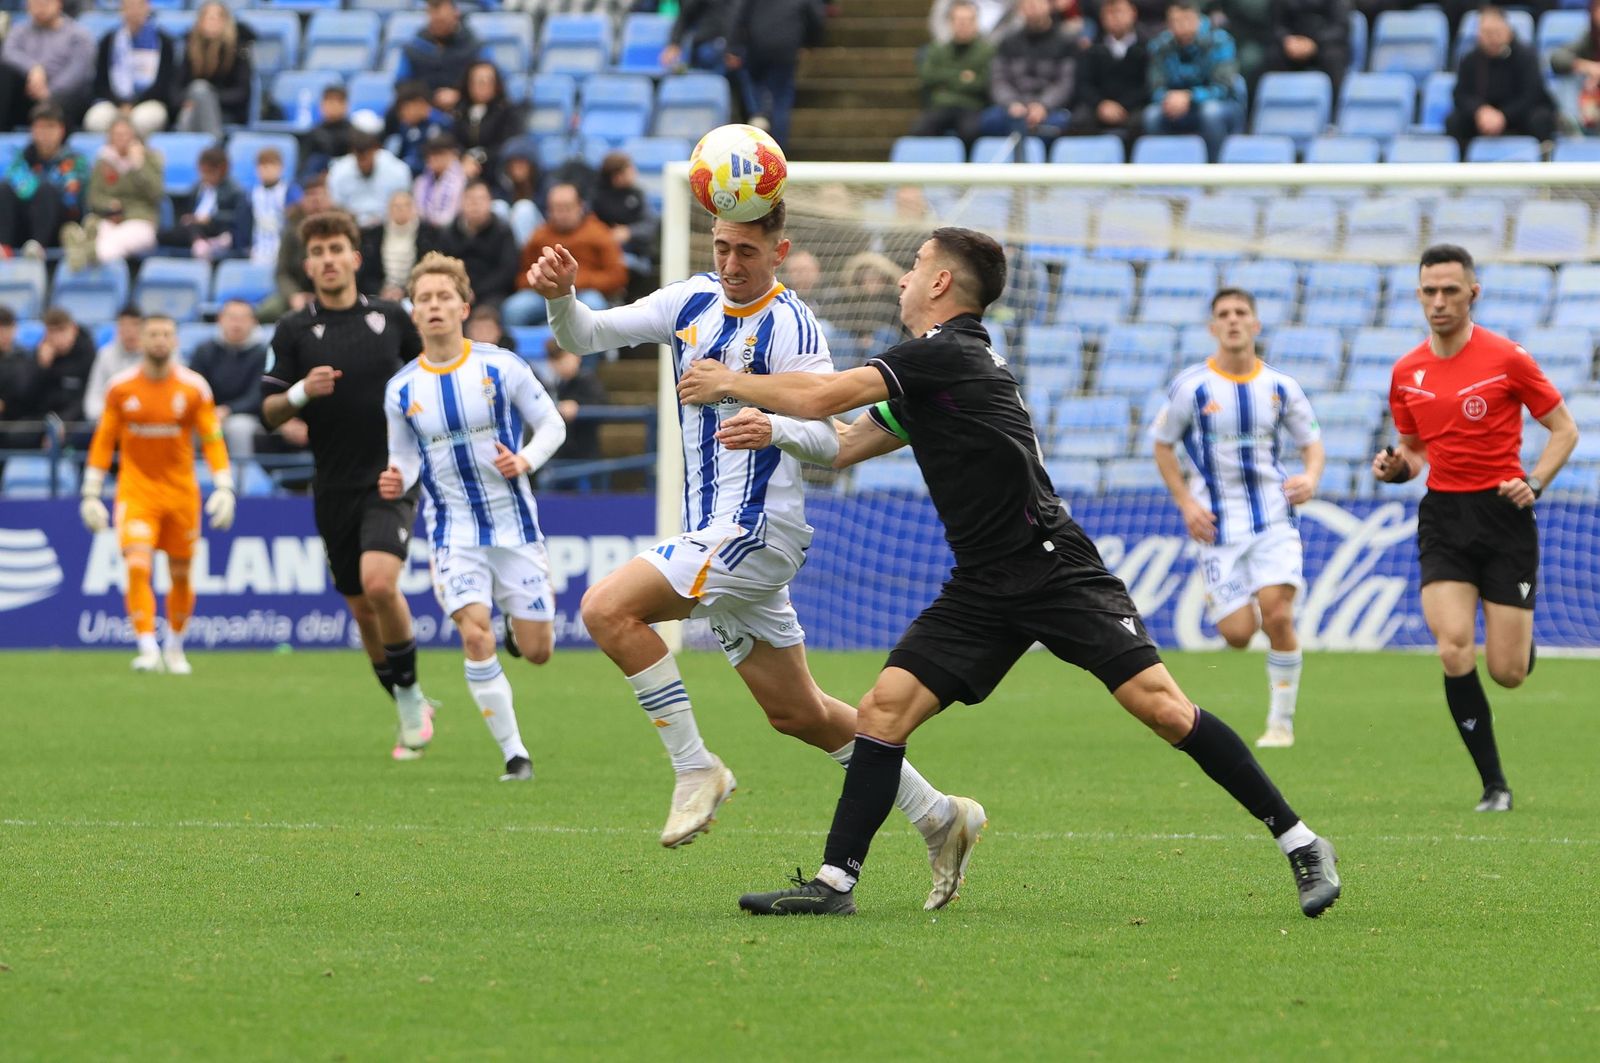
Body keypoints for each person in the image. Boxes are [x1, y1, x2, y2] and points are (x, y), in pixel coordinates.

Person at [677, 226, 1340, 919]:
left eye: (914, 268)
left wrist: (729, 379)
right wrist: (773, 428)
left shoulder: (948, 353)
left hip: (1054, 569)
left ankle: (1301, 840)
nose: (902, 279)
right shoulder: (935, 373)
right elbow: (841, 447)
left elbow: (824, 398)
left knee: (1163, 709)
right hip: (983, 583)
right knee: (882, 710)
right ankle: (834, 883)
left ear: (940, 285)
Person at [525, 204, 982, 911]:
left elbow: (834, 441)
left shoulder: (793, 325)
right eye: (721, 247)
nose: (731, 264)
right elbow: (586, 335)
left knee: (605, 607)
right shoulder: (690, 300)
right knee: (798, 713)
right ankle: (938, 814)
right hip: (715, 531)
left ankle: (695, 767)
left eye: (746, 251)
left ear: (780, 250)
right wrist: (561, 297)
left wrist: (772, 425)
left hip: (758, 530)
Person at [1371, 244, 1579, 813]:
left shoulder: (1508, 358)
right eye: (1429, 291)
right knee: (1453, 646)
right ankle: (1494, 784)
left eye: (1450, 291)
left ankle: (1519, 641)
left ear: (1473, 293)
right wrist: (1396, 469)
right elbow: (1414, 449)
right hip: (1443, 517)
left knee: (1508, 673)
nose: (1439, 301)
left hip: (1504, 516)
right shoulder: (1406, 371)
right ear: (1418, 295)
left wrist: (1534, 481)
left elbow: (1564, 429)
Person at [379, 252, 568, 781]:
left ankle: (516, 626)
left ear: (463, 306)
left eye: (444, 297)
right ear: (413, 312)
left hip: (515, 528)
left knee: (537, 652)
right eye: (424, 299)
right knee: (474, 635)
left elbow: (552, 425)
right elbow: (405, 459)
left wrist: (525, 459)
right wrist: (397, 478)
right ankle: (515, 755)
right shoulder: (401, 390)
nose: (434, 306)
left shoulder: (500, 365)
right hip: (452, 533)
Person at [260, 210, 439, 760]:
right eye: (316, 253)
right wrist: (300, 394)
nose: (328, 260)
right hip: (331, 486)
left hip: (390, 475)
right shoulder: (293, 330)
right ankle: (406, 695)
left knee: (381, 584)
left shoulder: (391, 318)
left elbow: (434, 376)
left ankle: (410, 700)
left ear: (355, 257)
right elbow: (266, 412)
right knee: (362, 609)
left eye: (336, 249)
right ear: (308, 264)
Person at [1152, 289, 1325, 748]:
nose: (1232, 321)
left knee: (1278, 615)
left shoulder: (1281, 387)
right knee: (1238, 634)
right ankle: (1234, 603)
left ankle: (1280, 724)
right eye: (1223, 315)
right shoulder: (1191, 387)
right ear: (1213, 328)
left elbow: (1312, 443)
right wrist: (1187, 504)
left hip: (1273, 519)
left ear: (1255, 324)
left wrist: (1310, 476)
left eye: (1241, 313)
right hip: (1218, 527)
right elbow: (1162, 444)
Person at [79, 314, 235, 674]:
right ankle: (147, 647)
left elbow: (212, 439)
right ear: (142, 340)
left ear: (176, 340)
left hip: (181, 493)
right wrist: (90, 492)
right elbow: (104, 441)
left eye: (166, 334)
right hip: (137, 491)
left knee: (180, 574)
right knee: (137, 564)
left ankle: (176, 648)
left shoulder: (194, 388)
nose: (160, 340)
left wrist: (225, 485)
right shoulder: (121, 388)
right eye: (153, 334)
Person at [504, 183, 627, 327]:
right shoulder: (539, 236)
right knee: (514, 309)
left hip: (585, 293)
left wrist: (576, 281)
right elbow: (522, 275)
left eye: (567, 208)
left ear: (580, 206)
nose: (561, 214)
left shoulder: (599, 233)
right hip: (546, 295)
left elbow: (618, 276)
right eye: (556, 208)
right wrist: (543, 281)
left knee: (593, 305)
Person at [1143, 2, 1244, 163]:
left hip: (1221, 105)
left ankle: (1214, 173)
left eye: (1187, 19)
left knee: (1210, 113)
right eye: (1175, 21)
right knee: (1152, 115)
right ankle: (1165, 173)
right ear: (1168, 24)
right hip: (1175, 105)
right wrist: (1169, 98)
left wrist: (1190, 97)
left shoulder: (1220, 41)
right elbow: (1155, 88)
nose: (1181, 26)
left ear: (1198, 19)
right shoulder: (1159, 46)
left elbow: (1224, 88)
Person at [1446, 6, 1556, 153]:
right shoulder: (1470, 60)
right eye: (1487, 33)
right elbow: (1460, 94)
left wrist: (1503, 115)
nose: (1492, 38)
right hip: (1483, 117)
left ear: (1508, 31)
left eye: (1497, 32)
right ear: (1478, 34)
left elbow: (1532, 95)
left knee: (1541, 118)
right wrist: (1479, 111)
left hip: (1519, 115)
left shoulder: (1526, 56)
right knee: (1454, 121)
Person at [63, 116, 163, 269]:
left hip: (140, 220)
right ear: (109, 137)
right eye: (116, 134)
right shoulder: (103, 160)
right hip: (109, 219)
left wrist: (138, 166)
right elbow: (93, 197)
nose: (121, 139)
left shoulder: (150, 159)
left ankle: (85, 251)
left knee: (116, 240)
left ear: (134, 136)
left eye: (125, 134)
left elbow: (156, 193)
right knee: (102, 230)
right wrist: (108, 204)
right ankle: (86, 247)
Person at [725, 0, 824, 148]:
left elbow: (739, 15)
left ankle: (760, 115)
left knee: (756, 86)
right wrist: (811, 43)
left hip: (758, 47)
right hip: (786, 49)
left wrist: (733, 47)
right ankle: (777, 150)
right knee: (781, 100)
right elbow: (815, 17)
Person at [980, 0, 1076, 144]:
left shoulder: (1065, 42)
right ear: (1021, 9)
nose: (1033, 9)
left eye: (1037, 4)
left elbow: (1064, 82)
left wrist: (1043, 105)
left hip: (1050, 110)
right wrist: (1011, 103)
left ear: (1048, 5)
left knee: (1061, 124)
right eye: (1028, 4)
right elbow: (999, 79)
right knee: (988, 121)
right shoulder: (1008, 42)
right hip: (1013, 108)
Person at [0, 104, 89, 257]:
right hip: (24, 222)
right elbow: (15, 185)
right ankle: (3, 247)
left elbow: (71, 198)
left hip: (59, 226)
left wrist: (33, 186)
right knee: (5, 189)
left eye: (50, 127)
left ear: (61, 130)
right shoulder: (22, 159)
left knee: (46, 190)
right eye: (39, 127)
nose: (44, 134)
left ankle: (37, 247)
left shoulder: (75, 160)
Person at [190, 299, 268, 459]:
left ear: (253, 322)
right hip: (208, 412)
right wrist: (208, 412)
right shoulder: (204, 351)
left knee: (239, 428)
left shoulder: (263, 353)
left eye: (243, 319)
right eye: (232, 317)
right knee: (191, 426)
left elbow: (258, 395)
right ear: (220, 320)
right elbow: (194, 389)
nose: (237, 324)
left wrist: (228, 410)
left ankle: (242, 479)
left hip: (246, 415)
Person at [911, 0, 996, 145]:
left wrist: (945, 81)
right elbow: (928, 76)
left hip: (972, 106)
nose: (963, 25)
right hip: (942, 105)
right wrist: (962, 77)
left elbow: (984, 82)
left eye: (968, 20)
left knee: (971, 131)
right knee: (920, 129)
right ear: (950, 23)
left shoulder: (986, 51)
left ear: (976, 23)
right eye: (959, 21)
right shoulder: (938, 49)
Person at [0, 0, 95, 129]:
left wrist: (49, 91)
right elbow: (8, 53)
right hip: (29, 93)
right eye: (35, 4)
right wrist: (33, 68)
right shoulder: (19, 31)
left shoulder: (77, 34)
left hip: (63, 97)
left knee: (70, 96)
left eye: (45, 3)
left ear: (59, 4)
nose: (40, 8)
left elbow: (78, 72)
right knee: (4, 73)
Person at [85, 0, 175, 136]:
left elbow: (165, 83)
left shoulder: (163, 41)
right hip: (114, 102)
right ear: (121, 10)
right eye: (129, 6)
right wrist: (120, 103)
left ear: (147, 8)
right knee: (95, 120)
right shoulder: (109, 40)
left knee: (141, 120)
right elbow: (101, 82)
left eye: (138, 6)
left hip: (150, 101)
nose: (134, 11)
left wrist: (134, 103)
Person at [1068, 0, 1150, 145]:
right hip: (1099, 106)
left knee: (1143, 121)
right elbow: (1084, 84)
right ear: (1102, 17)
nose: (1115, 17)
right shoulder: (1092, 48)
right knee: (1080, 119)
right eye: (1110, 13)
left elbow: (1147, 84)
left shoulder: (1146, 47)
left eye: (1119, 11)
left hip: (1133, 106)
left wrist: (1123, 106)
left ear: (1133, 13)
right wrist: (1101, 104)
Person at [428, 179, 519, 309]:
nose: (475, 205)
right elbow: (441, 267)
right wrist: (459, 290)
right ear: (461, 203)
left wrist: (477, 292)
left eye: (481, 199)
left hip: (493, 294)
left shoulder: (502, 231)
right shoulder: (449, 232)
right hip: (456, 293)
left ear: (490, 202)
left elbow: (507, 271)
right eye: (470, 199)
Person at [171, 1, 253, 137]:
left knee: (199, 91)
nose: (211, 22)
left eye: (216, 18)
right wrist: (191, 100)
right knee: (194, 102)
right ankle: (212, 145)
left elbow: (242, 93)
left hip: (226, 111)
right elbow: (174, 90)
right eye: (208, 17)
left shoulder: (237, 50)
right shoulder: (190, 50)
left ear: (225, 22)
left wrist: (209, 97)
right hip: (192, 107)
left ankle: (189, 145)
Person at [258, 174, 330, 323]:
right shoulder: (291, 230)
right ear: (302, 200)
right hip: (298, 291)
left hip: (336, 291)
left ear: (330, 198)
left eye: (320, 195)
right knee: (264, 312)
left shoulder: (344, 227)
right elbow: (282, 272)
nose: (316, 201)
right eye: (310, 196)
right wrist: (294, 295)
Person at [396, 0, 488, 114]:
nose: (439, 26)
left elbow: (489, 81)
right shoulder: (415, 48)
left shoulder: (474, 47)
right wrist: (429, 98)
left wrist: (460, 95)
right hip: (425, 112)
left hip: (465, 111)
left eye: (443, 21)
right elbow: (402, 85)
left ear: (456, 14)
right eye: (435, 22)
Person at [156, 145, 241, 261]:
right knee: (164, 233)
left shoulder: (233, 191)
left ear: (220, 170)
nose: (204, 176)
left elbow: (237, 217)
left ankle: (207, 244)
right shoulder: (197, 187)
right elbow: (189, 211)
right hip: (192, 229)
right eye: (202, 172)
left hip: (215, 228)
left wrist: (209, 218)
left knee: (198, 227)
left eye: (208, 172)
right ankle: (199, 242)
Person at [358, 189, 439, 302]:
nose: (401, 209)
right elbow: (366, 274)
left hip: (416, 294)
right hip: (379, 295)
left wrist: (406, 291)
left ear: (414, 208)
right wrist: (381, 290)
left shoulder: (429, 234)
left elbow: (432, 268)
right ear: (388, 209)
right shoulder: (374, 235)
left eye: (406, 205)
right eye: (396, 206)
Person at [452, 60, 524, 181]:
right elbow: (453, 141)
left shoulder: (507, 112)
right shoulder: (459, 111)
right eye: (478, 81)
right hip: (464, 169)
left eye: (488, 81)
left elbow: (508, 144)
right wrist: (465, 158)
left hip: (496, 172)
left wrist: (480, 158)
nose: (483, 86)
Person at [1267, 0, 1351, 101]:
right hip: (1293, 44)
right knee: (1273, 56)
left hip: (1325, 44)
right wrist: (1287, 40)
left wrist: (1314, 43)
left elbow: (1340, 28)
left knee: (1333, 57)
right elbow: (1277, 25)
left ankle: (1336, 110)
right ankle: (1279, 107)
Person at [328, 132, 414, 229]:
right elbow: (336, 205)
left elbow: (405, 202)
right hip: (352, 225)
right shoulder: (339, 172)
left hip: (389, 226)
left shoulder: (397, 170)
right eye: (360, 158)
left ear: (375, 151)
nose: (364, 163)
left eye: (367, 156)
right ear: (353, 154)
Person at [238, 147, 302, 268]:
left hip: (283, 251)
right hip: (258, 251)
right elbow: (244, 224)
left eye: (270, 165)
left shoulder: (290, 192)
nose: (265, 170)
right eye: (261, 166)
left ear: (280, 168)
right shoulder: (251, 194)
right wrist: (246, 248)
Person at [544, 337, 606, 462]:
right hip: (563, 453)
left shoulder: (587, 380)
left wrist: (578, 406)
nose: (566, 363)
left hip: (585, 454)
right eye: (560, 359)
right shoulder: (559, 385)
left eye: (569, 356)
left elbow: (603, 404)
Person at [34, 307, 96, 426]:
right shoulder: (40, 354)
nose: (57, 338)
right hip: (44, 418)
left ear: (74, 329)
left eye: (62, 330)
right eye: (52, 332)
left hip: (75, 420)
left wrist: (63, 422)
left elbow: (86, 397)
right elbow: (30, 398)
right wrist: (41, 367)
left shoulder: (88, 355)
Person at [84, 305, 144, 423]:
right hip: (110, 421)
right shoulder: (105, 355)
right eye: (124, 326)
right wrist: (109, 418)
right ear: (118, 328)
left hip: (144, 423)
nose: (130, 331)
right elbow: (94, 396)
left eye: (135, 325)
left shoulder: (154, 356)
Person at [1550, 1, 1600, 134]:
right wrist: (1587, 67)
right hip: (1591, 101)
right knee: (1569, 77)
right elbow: (1557, 58)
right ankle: (1572, 124)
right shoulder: (1590, 38)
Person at [387, 81, 455, 179]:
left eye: (405, 108)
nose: (402, 114)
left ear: (420, 103)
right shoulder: (405, 126)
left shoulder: (441, 124)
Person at [301, 85, 354, 179]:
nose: (330, 106)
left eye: (335, 102)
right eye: (327, 101)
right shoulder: (313, 134)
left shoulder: (354, 134)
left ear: (345, 105)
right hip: (317, 185)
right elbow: (304, 169)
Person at [412, 136, 466, 229]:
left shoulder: (462, 179)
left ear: (452, 155)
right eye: (431, 155)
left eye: (439, 154)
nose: (434, 159)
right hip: (425, 229)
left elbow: (454, 213)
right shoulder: (421, 181)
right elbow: (418, 210)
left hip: (451, 229)